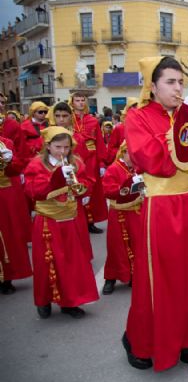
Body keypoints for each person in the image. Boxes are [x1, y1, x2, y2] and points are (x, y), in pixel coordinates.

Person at [123, 57, 188, 375]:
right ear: (152, 87)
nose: (178, 88)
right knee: (160, 280)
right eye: (170, 82)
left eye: (181, 82)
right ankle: (139, 339)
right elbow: (151, 159)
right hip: (162, 207)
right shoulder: (137, 117)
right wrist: (185, 134)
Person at [23, 126, 99, 319]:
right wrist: (57, 179)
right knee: (46, 262)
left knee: (72, 262)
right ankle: (44, 300)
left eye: (66, 147)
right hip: (48, 221)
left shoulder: (77, 163)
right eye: (58, 147)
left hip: (70, 219)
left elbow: (88, 182)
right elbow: (34, 192)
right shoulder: (36, 165)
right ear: (47, 146)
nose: (63, 152)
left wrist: (82, 188)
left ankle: (70, 302)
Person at [101, 142, 142, 295]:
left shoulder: (139, 168)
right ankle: (110, 277)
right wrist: (124, 189)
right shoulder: (114, 168)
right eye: (131, 154)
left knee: (137, 243)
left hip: (136, 210)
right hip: (119, 212)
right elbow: (107, 190)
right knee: (116, 246)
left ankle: (134, 274)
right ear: (123, 153)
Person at [68, 93, 108, 234]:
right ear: (72, 102)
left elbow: (99, 142)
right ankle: (77, 221)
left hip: (91, 159)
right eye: (77, 100)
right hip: (74, 158)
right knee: (75, 188)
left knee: (92, 190)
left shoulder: (92, 120)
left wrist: (102, 162)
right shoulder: (68, 120)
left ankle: (90, 221)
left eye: (82, 100)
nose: (80, 103)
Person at [0, 134, 32, 294]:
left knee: (7, 234)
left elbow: (15, 170)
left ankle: (7, 277)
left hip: (3, 194)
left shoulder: (5, 143)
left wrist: (10, 160)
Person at [106, 98, 138, 165]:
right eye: (133, 107)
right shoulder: (119, 128)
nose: (135, 111)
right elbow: (111, 147)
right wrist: (122, 152)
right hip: (124, 162)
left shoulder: (143, 127)